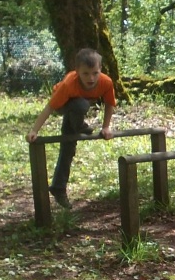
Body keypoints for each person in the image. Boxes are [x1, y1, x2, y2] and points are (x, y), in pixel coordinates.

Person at [26, 48, 116, 209]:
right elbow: (49, 108)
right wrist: (34, 130)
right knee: (81, 104)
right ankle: (79, 126)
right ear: (77, 71)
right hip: (64, 105)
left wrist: (106, 127)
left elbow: (110, 104)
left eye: (95, 73)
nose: (91, 78)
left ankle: (58, 187)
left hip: (79, 108)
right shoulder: (69, 84)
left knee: (69, 146)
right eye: (85, 73)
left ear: (100, 69)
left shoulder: (106, 82)